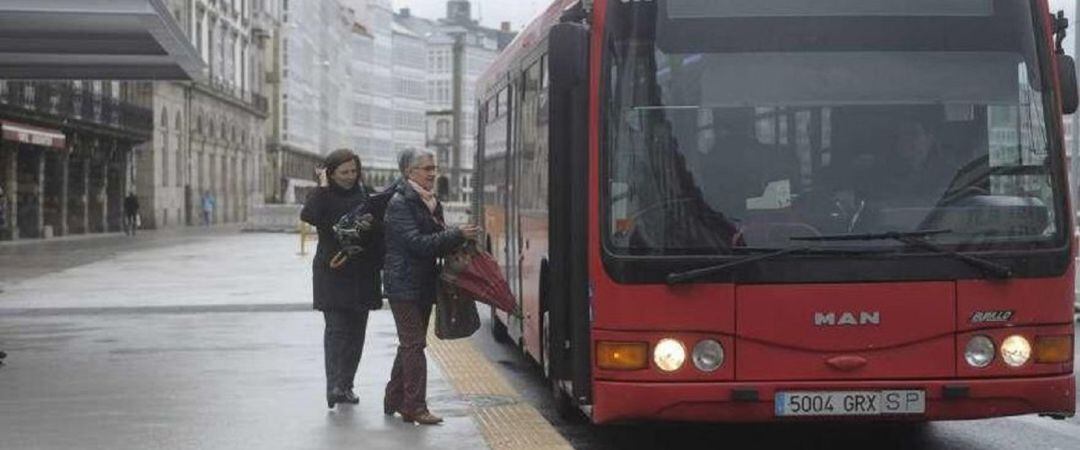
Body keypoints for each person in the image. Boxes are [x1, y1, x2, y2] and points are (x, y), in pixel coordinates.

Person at [382, 149, 479, 425]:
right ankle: (414, 406)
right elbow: (417, 243)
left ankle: (393, 397)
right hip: (402, 283)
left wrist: (455, 238)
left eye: (434, 167)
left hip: (422, 283)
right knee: (414, 344)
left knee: (409, 344)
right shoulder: (401, 203)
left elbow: (435, 238)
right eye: (426, 168)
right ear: (409, 172)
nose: (432, 173)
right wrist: (455, 234)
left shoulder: (430, 201)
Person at [300, 149, 385, 409]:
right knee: (337, 330)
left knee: (357, 333)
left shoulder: (365, 193)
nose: (350, 177)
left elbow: (380, 227)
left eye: (353, 171)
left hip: (362, 271)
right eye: (344, 172)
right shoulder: (323, 196)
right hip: (333, 271)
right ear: (331, 173)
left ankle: (346, 385)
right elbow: (309, 215)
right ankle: (334, 385)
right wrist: (324, 186)